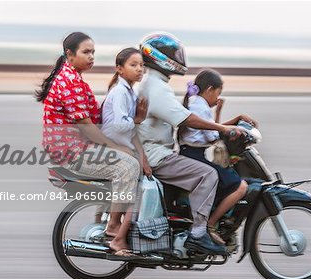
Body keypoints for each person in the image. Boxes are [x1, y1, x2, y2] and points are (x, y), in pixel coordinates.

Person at [136, 32, 243, 255]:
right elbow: (186, 119)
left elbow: (182, 116)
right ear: (159, 57)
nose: (178, 58)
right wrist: (222, 128)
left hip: (156, 151)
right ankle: (198, 233)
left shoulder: (154, 83)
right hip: (156, 155)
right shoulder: (156, 86)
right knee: (208, 175)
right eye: (174, 55)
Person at [36, 32, 141, 257]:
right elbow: (85, 125)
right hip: (72, 152)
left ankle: (103, 221)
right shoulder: (69, 81)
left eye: (93, 52)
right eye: (86, 52)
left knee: (124, 164)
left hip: (79, 147)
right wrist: (116, 146)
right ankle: (113, 227)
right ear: (70, 55)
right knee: (128, 166)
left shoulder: (74, 77)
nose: (91, 56)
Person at [178, 69, 258, 245]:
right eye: (218, 93)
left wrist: (234, 119)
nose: (217, 97)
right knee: (240, 187)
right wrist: (235, 130)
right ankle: (210, 225)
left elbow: (211, 127)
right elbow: (213, 135)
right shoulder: (200, 105)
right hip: (194, 157)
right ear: (209, 90)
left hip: (190, 154)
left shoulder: (196, 102)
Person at [99, 47, 151, 255]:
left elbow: (132, 132)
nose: (139, 69)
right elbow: (122, 126)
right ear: (119, 69)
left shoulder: (130, 92)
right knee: (137, 189)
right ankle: (114, 227)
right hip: (113, 148)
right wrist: (138, 118)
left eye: (141, 66)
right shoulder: (120, 92)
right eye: (133, 65)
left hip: (123, 146)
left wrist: (143, 156)